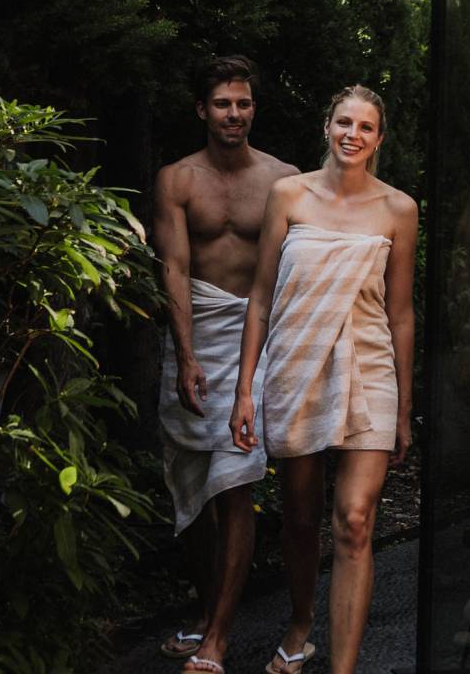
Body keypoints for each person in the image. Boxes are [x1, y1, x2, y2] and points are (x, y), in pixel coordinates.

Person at [229, 85, 418, 674]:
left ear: (379, 139)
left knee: (356, 521)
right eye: (344, 122)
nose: (353, 135)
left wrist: (405, 408)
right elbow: (260, 299)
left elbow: (402, 313)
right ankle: (302, 621)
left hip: (370, 368)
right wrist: (244, 389)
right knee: (302, 517)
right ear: (327, 126)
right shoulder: (289, 195)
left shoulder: (399, 209)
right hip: (296, 365)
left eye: (366, 127)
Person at [155, 56, 299, 674]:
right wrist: (186, 355)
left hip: (256, 341)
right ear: (201, 110)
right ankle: (207, 606)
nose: (234, 114)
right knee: (191, 487)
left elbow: (292, 272)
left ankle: (217, 637)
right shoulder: (177, 180)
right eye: (222, 104)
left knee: (236, 484)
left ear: (253, 110)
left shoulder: (284, 180)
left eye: (243, 104)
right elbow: (176, 270)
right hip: (195, 333)